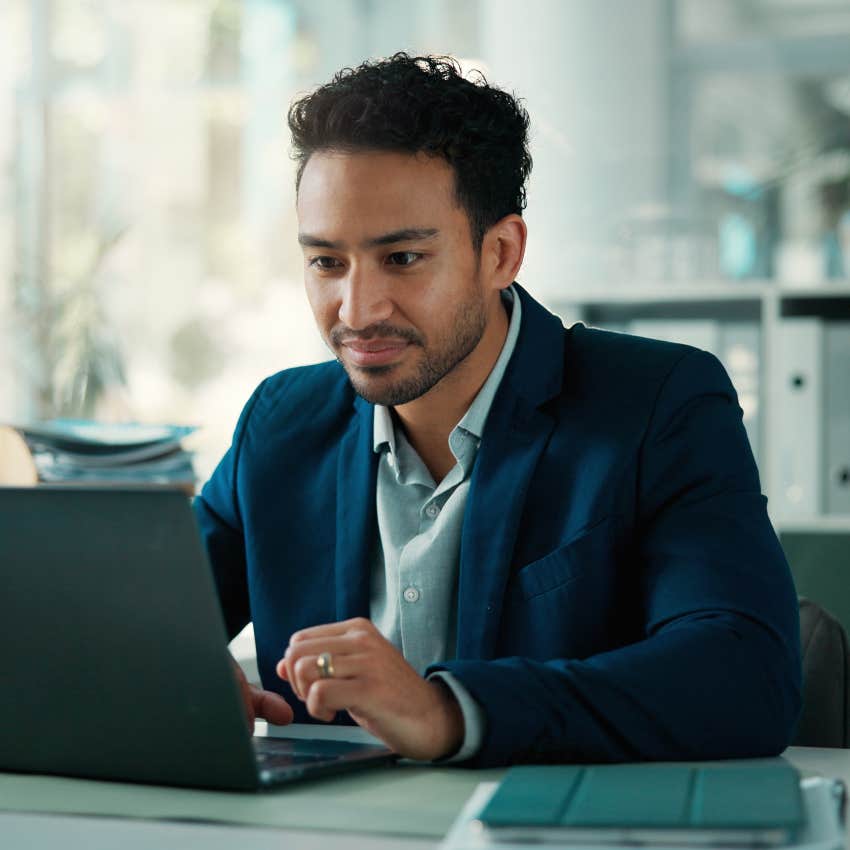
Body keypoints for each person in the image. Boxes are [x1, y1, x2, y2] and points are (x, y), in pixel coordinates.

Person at [194, 53, 801, 767]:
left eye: (403, 259)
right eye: (327, 262)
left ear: (501, 253)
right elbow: (134, 618)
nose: (356, 311)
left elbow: (745, 678)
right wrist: (179, 682)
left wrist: (449, 710)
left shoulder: (657, 406)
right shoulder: (281, 423)